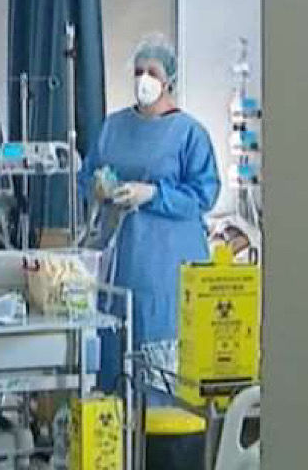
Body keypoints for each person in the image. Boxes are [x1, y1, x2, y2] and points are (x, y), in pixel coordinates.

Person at [80, 34, 221, 391]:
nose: (144, 79)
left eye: (153, 72)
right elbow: (89, 173)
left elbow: (203, 195)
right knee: (116, 349)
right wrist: (97, 187)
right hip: (120, 260)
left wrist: (154, 194)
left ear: (169, 79)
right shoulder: (113, 127)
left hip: (167, 264)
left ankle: (164, 425)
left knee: (161, 362)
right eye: (138, 71)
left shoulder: (189, 133)